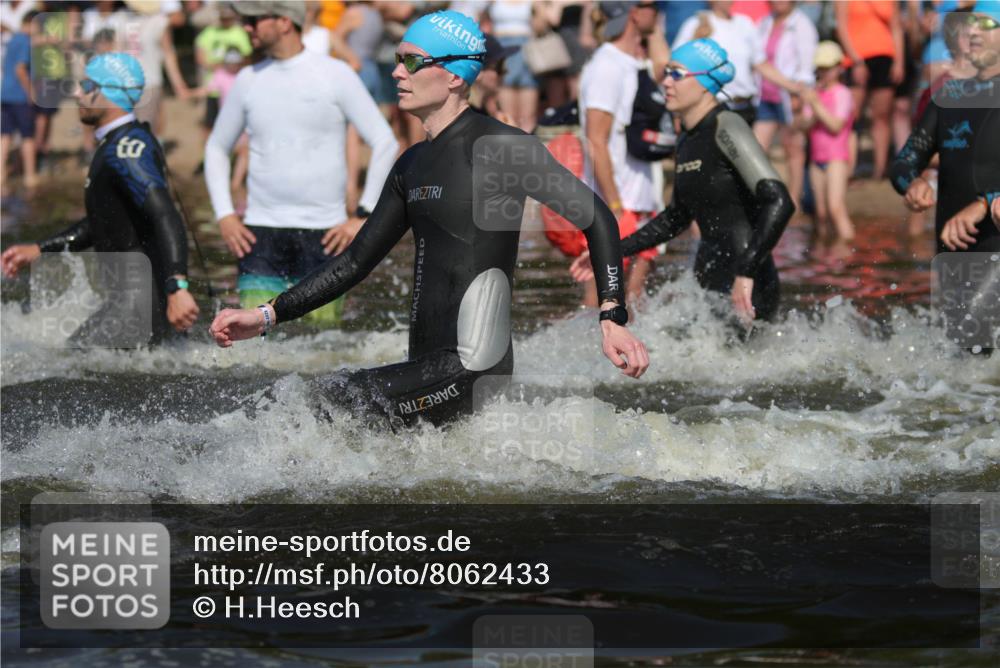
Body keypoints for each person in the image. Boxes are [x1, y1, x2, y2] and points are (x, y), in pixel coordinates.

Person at [209, 10, 649, 427]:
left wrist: (612, 316)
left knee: (312, 403)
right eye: (398, 60)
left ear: (455, 75)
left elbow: (598, 219)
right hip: (425, 366)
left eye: (413, 62)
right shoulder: (411, 163)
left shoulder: (503, 148)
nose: (398, 72)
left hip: (471, 364)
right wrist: (267, 316)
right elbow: (355, 261)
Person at [571, 38, 795, 325]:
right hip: (709, 284)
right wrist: (610, 252)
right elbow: (675, 217)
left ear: (705, 82)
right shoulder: (687, 138)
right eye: (665, 72)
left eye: (676, 74)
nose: (666, 82)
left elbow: (779, 200)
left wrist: (746, 271)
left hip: (747, 288)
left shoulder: (726, 125)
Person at [205, 0, 398, 325]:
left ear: (284, 22)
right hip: (259, 236)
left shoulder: (335, 73)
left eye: (254, 20)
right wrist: (225, 214)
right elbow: (215, 148)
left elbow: (385, 141)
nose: (246, 27)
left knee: (321, 351)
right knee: (251, 353)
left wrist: (362, 216)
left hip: (326, 234)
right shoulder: (247, 79)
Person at [0, 53, 199, 345]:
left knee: (67, 369)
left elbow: (165, 214)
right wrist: (41, 249)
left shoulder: (128, 149)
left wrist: (177, 287)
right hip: (134, 301)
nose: (77, 92)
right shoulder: (116, 145)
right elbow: (104, 220)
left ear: (110, 93)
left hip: (138, 303)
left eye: (87, 85)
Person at [890, 1, 1000, 253]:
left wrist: (984, 204)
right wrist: (913, 184)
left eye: (986, 24)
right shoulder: (949, 97)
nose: (973, 32)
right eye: (971, 23)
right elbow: (904, 162)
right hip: (954, 262)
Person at [579, 1, 669, 307]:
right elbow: (596, 139)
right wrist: (615, 208)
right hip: (615, 203)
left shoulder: (636, 62)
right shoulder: (607, 66)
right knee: (600, 305)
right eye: (651, 5)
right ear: (633, 12)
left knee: (635, 303)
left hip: (641, 200)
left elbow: (665, 69)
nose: (657, 11)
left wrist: (654, 34)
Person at [672, 0, 804, 126]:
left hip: (745, 107)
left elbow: (761, 64)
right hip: (710, 109)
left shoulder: (744, 24)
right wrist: (678, 110)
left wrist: (795, 88)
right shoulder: (696, 23)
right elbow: (676, 65)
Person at [753, 0, 817, 211]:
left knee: (793, 149)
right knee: (757, 148)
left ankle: (794, 201)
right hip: (764, 94)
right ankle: (764, 198)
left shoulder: (801, 24)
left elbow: (806, 63)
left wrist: (800, 92)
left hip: (789, 95)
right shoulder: (764, 22)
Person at [836, 0, 904, 180]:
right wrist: (857, 61)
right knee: (851, 115)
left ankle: (879, 170)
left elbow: (896, 28)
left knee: (881, 115)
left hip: (885, 57)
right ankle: (848, 169)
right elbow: (841, 27)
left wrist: (899, 61)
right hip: (855, 58)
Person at [797, 41, 855, 245]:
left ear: (839, 67)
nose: (824, 73)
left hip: (836, 158)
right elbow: (804, 125)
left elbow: (835, 125)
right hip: (816, 158)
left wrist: (814, 103)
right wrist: (811, 106)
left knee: (835, 208)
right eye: (820, 69)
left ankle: (848, 249)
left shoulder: (843, 93)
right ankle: (823, 254)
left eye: (828, 68)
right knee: (820, 214)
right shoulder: (816, 94)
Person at [1, 10, 38, 189]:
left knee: (5, 136)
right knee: (27, 136)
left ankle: (1, 174)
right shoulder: (24, 41)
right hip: (19, 95)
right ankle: (30, 176)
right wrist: (31, 92)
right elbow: (20, 69)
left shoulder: (13, 39)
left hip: (5, 93)